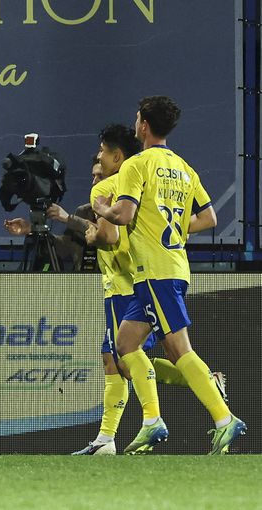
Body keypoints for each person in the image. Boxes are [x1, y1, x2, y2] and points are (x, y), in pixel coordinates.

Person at [92, 96, 245, 455]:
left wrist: (102, 209)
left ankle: (225, 418)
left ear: (143, 125)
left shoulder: (137, 164)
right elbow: (209, 218)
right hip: (166, 268)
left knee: (179, 349)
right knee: (124, 345)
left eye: (136, 119)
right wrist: (174, 230)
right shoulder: (184, 168)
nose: (135, 125)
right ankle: (151, 421)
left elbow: (124, 215)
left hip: (158, 271)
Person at [3, 156, 102, 271]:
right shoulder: (83, 212)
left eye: (101, 176)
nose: (94, 182)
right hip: (82, 284)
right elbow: (62, 247)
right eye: (93, 176)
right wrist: (32, 229)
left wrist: (68, 218)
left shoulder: (122, 212)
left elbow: (105, 236)